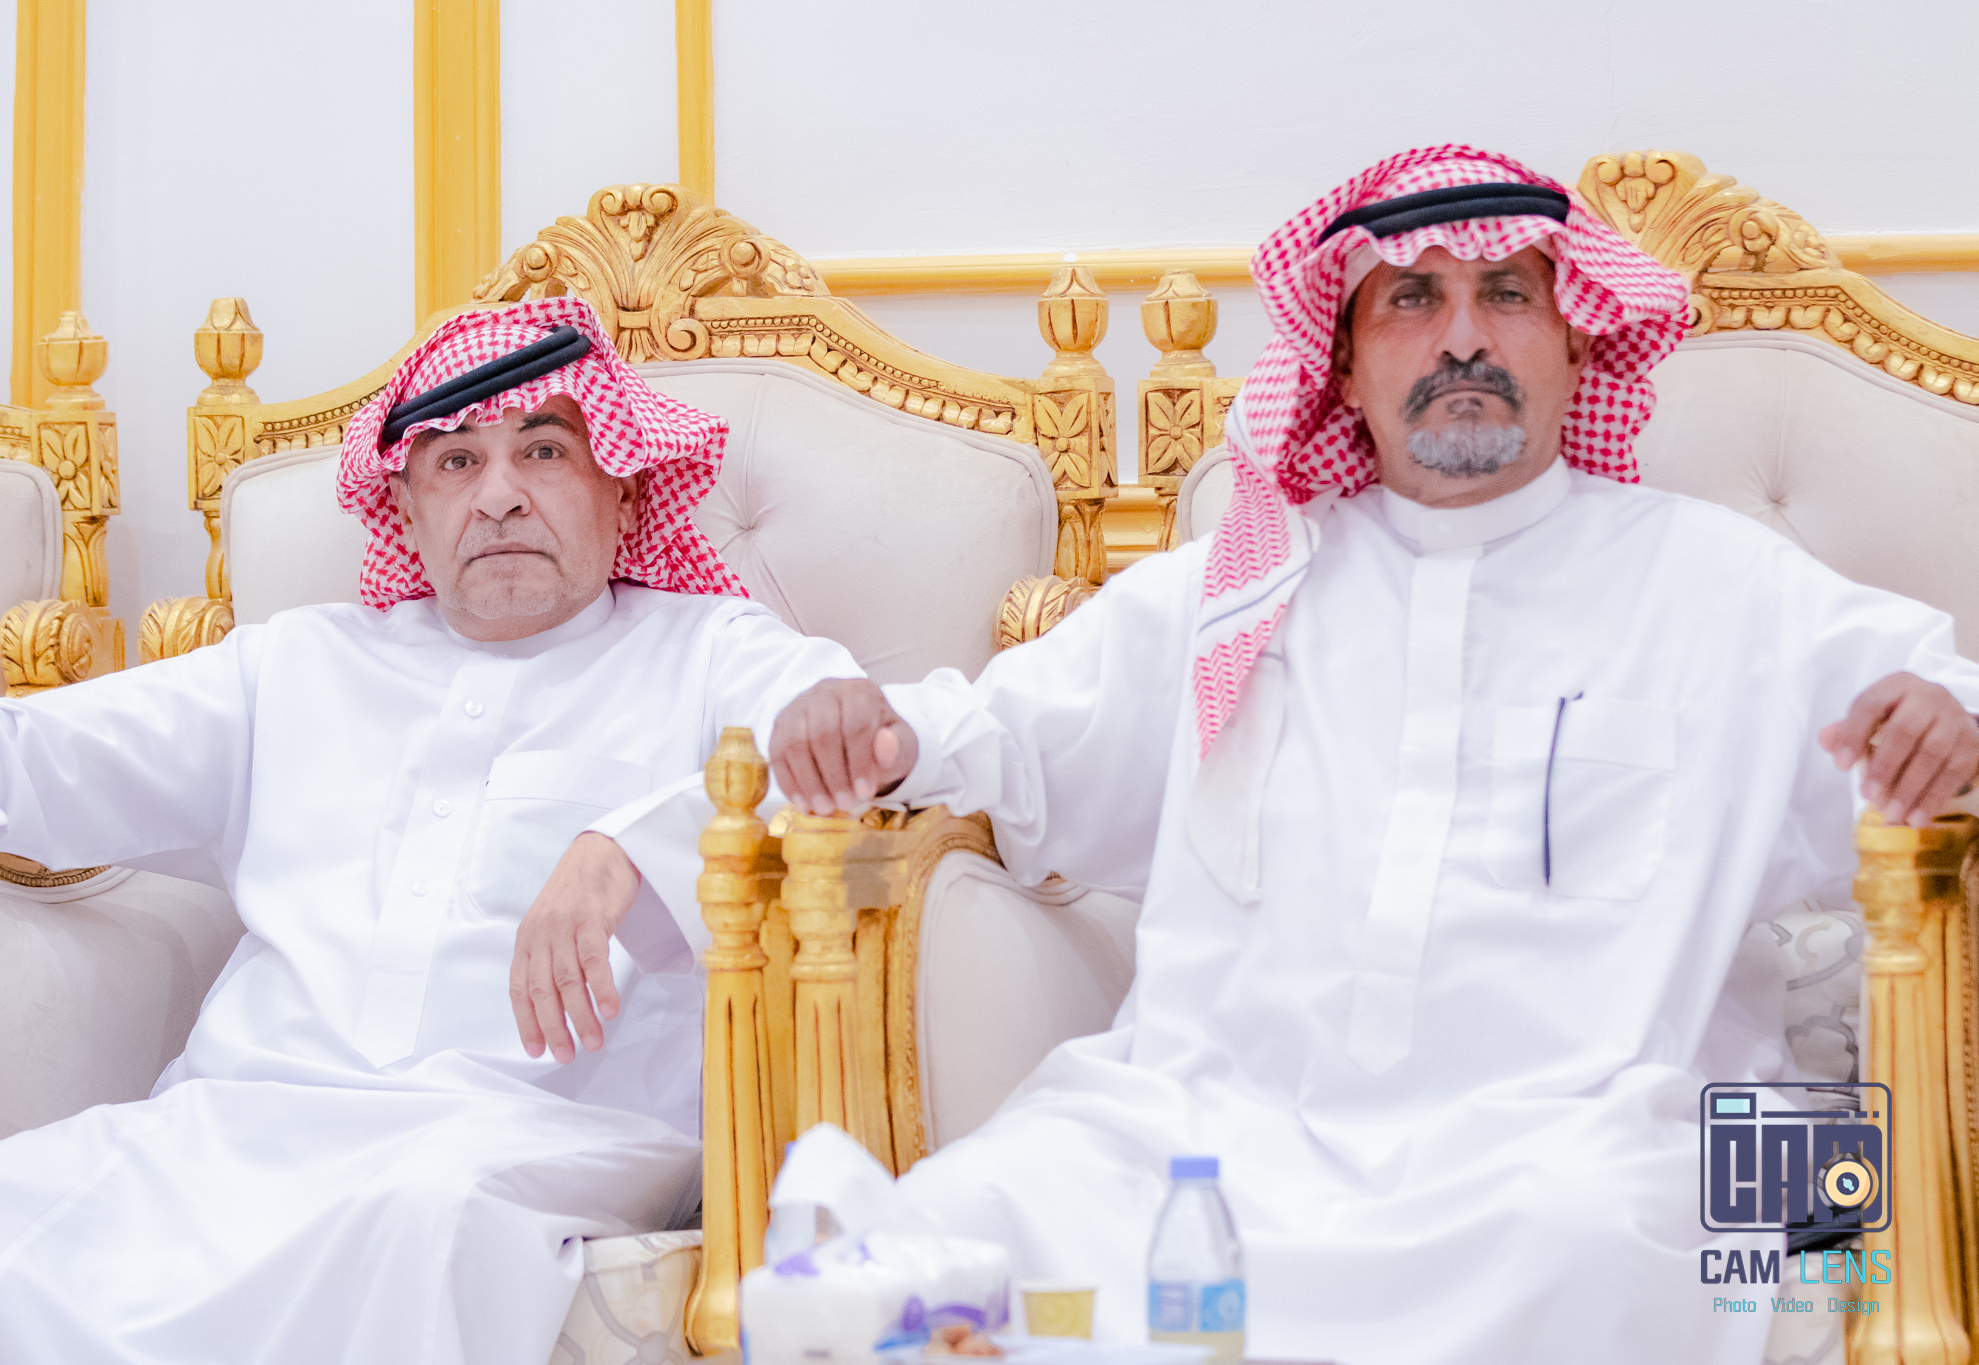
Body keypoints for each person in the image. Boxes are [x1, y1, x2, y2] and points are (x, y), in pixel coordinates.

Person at [766, 146, 1979, 1362]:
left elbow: (1942, 706)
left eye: (1505, 293)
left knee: (1603, 1239)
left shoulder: (1718, 585)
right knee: (982, 1208)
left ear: (1575, 339)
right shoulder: (1233, 591)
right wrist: (874, 729)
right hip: (1212, 1126)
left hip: (1584, 1137)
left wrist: (1949, 729)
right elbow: (1005, 738)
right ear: (1340, 363)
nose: (1463, 336)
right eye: (1410, 298)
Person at [0, 297, 862, 1364]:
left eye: (544, 450)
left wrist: (633, 848)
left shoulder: (710, 651)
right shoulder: (294, 666)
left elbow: (858, 746)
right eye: (456, 462)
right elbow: (21, 755)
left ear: (623, 482)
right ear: (405, 509)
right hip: (228, 1131)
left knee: (423, 1219)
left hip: (518, 1145)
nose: (499, 495)